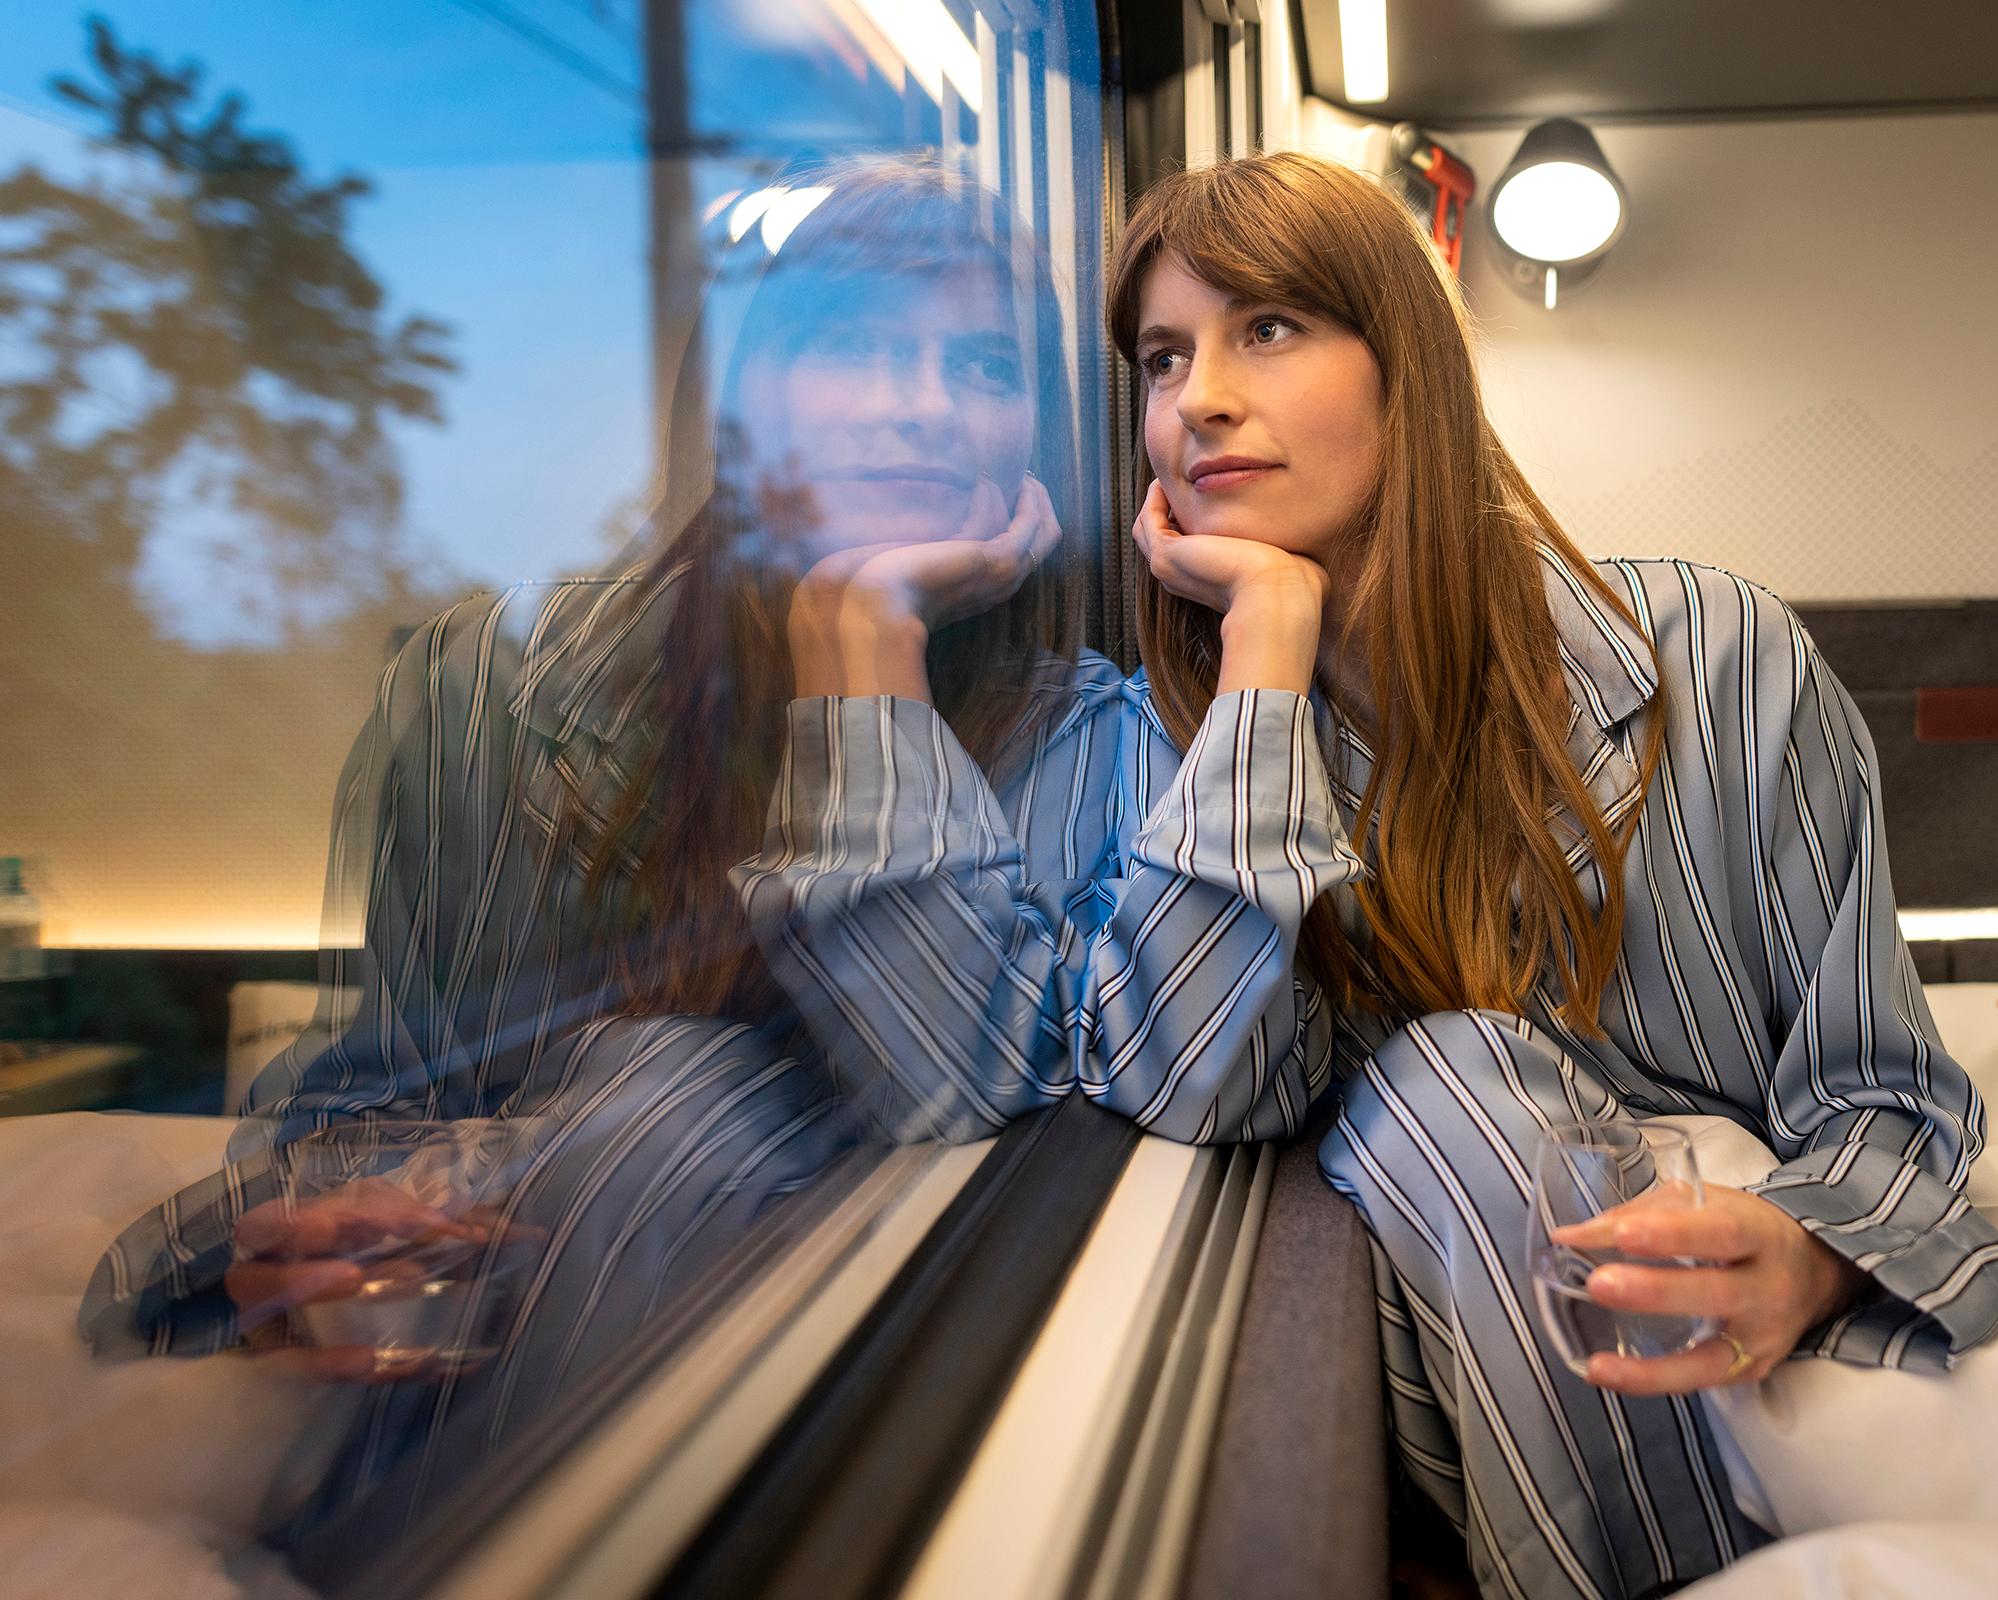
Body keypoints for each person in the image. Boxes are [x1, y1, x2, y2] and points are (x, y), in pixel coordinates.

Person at [71, 153, 1317, 1584]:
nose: (922, 402)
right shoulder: (503, 693)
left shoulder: (1090, 736)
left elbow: (963, 1093)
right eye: (856, 346)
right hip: (505, 1418)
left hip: (911, 1422)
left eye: (976, 363)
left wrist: (867, 647)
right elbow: (361, 1100)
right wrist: (290, 1234)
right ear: (740, 396)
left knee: (679, 1097)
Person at [1105, 150, 1998, 1600]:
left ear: (1403, 365)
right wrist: (1268, 652)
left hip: (1789, 1329)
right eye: (1165, 357)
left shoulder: (1720, 661)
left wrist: (1810, 1251)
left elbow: (1888, 1094)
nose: (1198, 399)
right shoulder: (1200, 753)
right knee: (1452, 1078)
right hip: (1490, 1389)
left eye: (1266, 329)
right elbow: (1195, 1090)